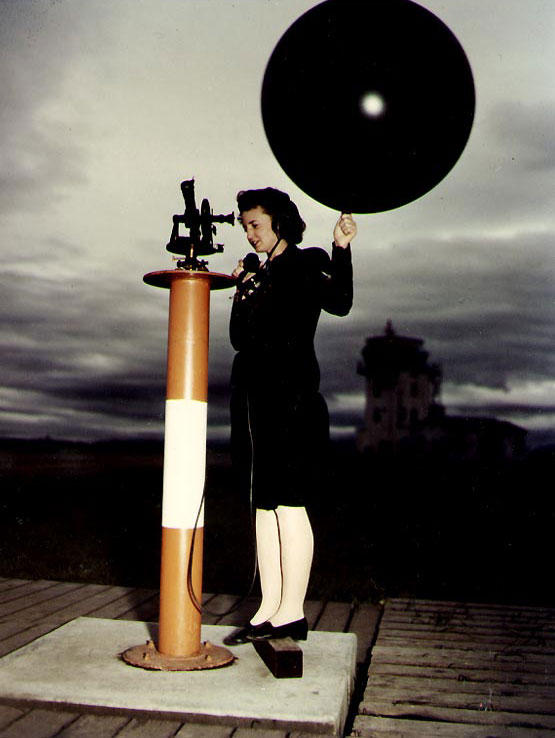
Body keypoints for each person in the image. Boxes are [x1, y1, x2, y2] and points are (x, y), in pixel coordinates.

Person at [223, 187, 356, 646]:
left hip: (294, 401)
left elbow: (340, 300)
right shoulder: (258, 275)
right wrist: (242, 289)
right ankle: (268, 608)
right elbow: (240, 338)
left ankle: (293, 612)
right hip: (256, 403)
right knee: (263, 504)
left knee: (290, 503)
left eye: (255, 224)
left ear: (280, 222)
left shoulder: (306, 263)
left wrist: (341, 247)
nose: (249, 233)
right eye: (244, 226)